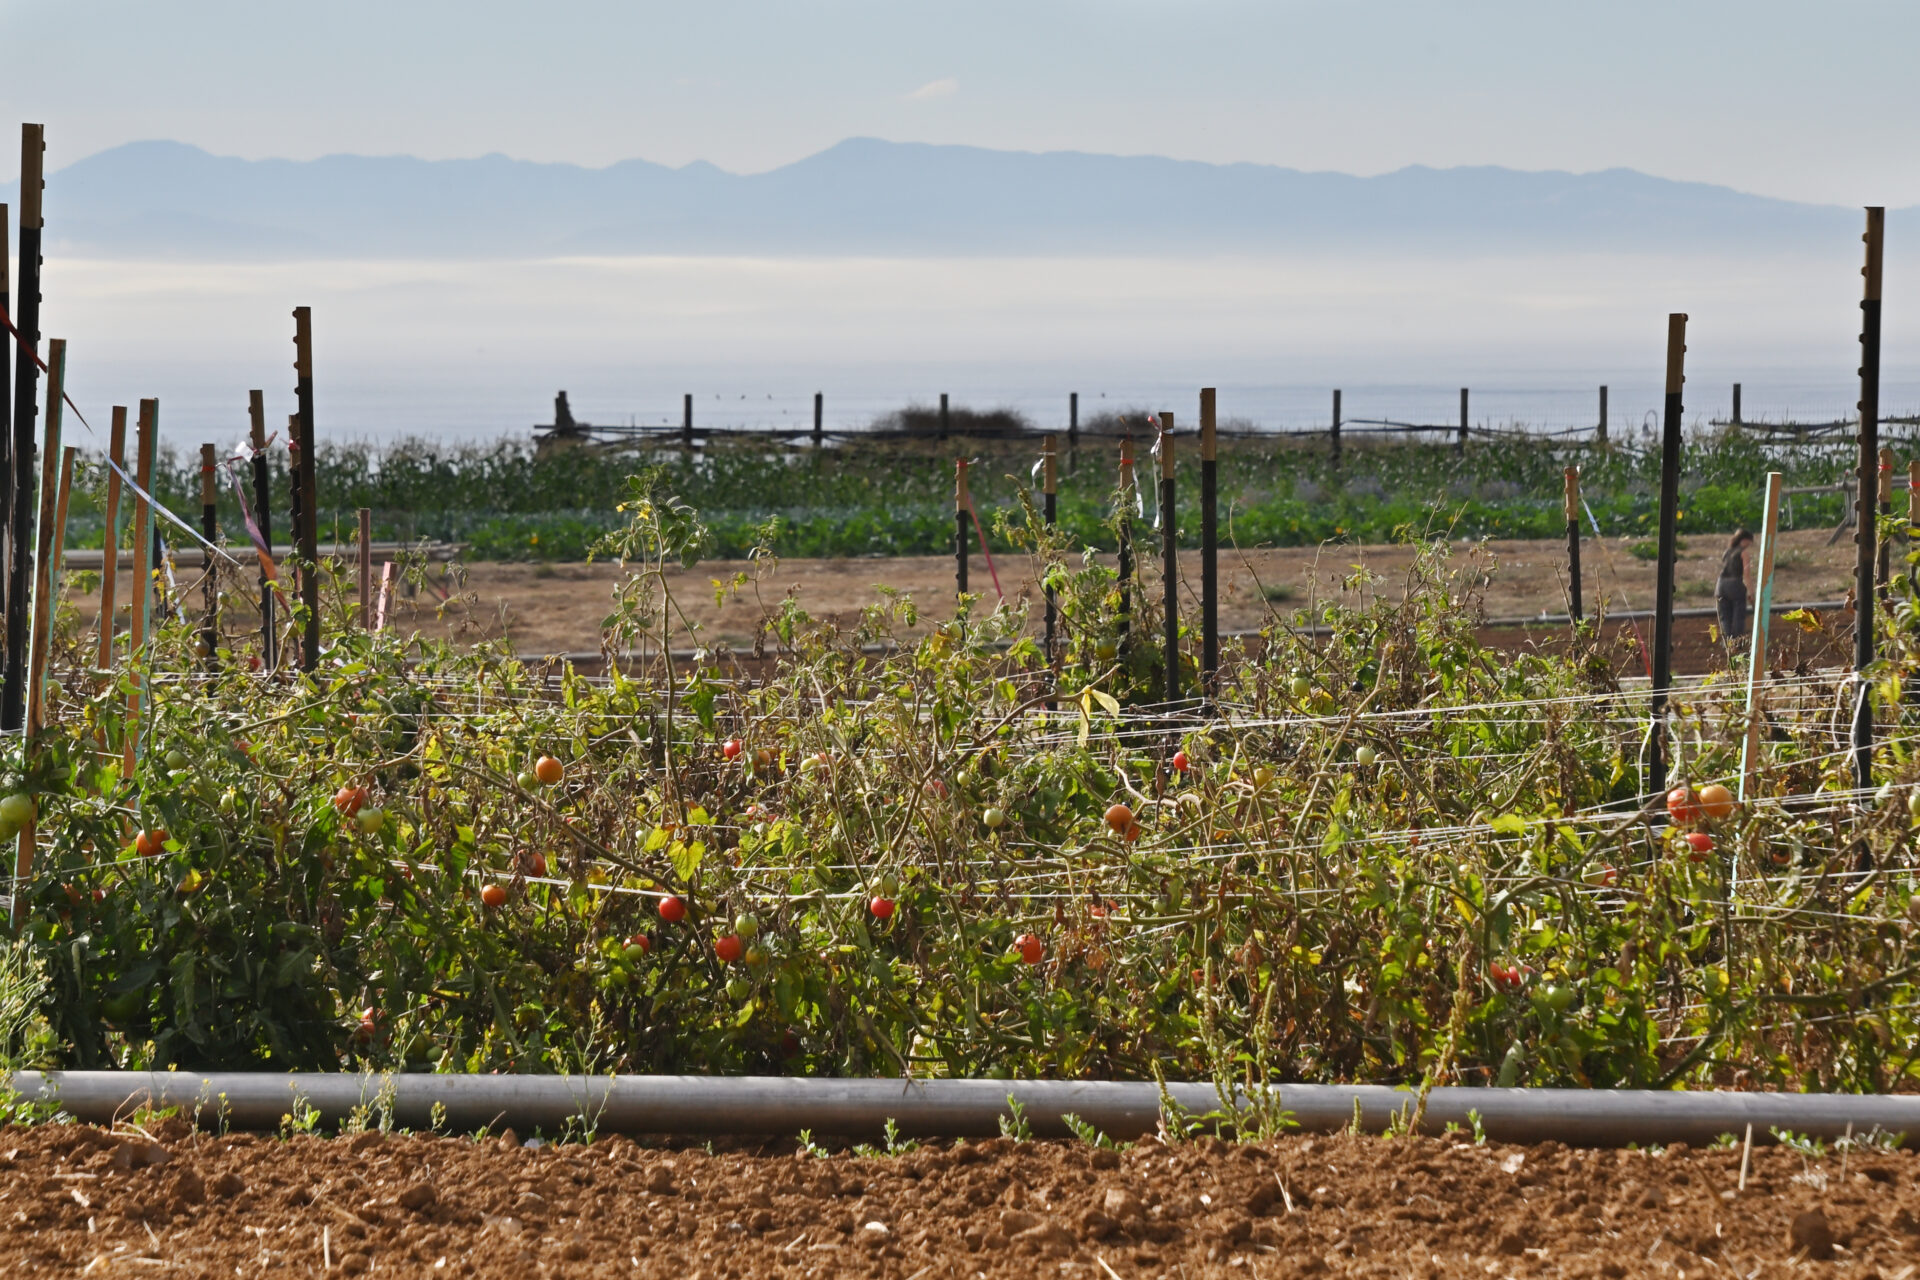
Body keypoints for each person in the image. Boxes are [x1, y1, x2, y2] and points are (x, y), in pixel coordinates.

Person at [1716, 529, 1755, 646]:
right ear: (1744, 540)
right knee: (1738, 615)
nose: (1749, 545)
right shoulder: (1744, 553)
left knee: (1725, 616)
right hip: (1735, 585)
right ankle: (1738, 643)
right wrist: (1751, 592)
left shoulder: (1727, 552)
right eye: (1749, 542)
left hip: (1720, 585)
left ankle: (1728, 643)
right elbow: (1746, 574)